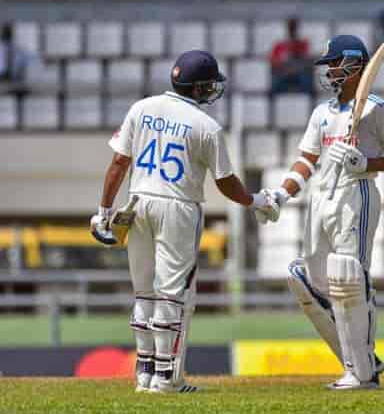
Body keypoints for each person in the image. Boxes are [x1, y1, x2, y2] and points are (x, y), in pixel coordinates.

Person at [90, 50, 278, 394]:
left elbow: (119, 163)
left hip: (138, 201)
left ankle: (144, 374)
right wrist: (256, 200)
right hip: (178, 206)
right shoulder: (206, 126)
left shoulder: (142, 108)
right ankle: (166, 379)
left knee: (144, 293)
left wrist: (104, 211)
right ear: (199, 87)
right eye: (209, 85)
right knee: (172, 296)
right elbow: (225, 182)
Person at [260, 35, 384, 389]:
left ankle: (362, 372)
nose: (328, 70)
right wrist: (282, 194)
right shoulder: (322, 113)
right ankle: (362, 358)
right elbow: (306, 160)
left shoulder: (378, 109)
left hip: (355, 194)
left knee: (349, 276)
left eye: (333, 63)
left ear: (352, 64)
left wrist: (367, 163)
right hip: (321, 199)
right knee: (303, 277)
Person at [270, 17, 314, 95]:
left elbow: (308, 62)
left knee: (308, 82)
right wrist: (284, 66)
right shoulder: (279, 45)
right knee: (274, 86)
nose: (292, 30)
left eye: (294, 27)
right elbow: (274, 62)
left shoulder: (303, 44)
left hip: (299, 74)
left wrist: (295, 68)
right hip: (283, 74)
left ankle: (311, 102)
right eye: (290, 27)